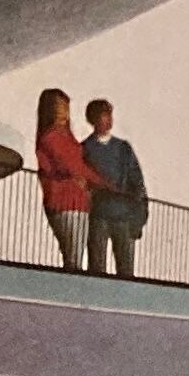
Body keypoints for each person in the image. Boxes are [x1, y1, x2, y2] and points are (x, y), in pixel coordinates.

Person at [81, 97, 148, 277]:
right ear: (94, 119)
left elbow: (137, 181)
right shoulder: (85, 148)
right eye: (104, 115)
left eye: (109, 115)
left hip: (123, 215)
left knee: (126, 270)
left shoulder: (123, 148)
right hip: (98, 215)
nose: (109, 119)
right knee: (97, 268)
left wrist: (139, 215)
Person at [31, 86, 94, 269]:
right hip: (65, 201)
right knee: (73, 258)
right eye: (59, 107)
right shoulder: (52, 137)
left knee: (74, 256)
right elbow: (68, 164)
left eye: (65, 108)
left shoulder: (66, 137)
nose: (63, 113)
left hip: (76, 201)